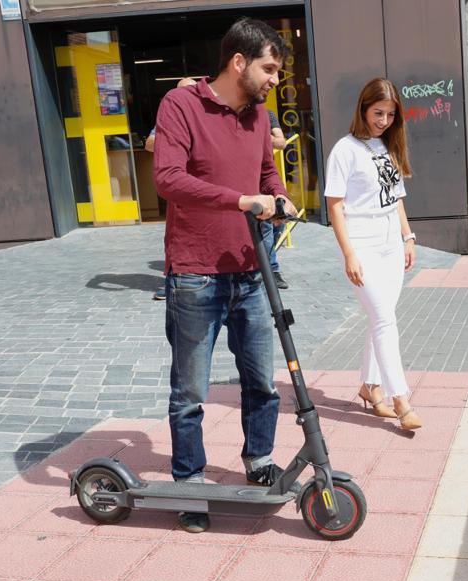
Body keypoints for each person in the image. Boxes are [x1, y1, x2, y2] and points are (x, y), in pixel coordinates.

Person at [154, 18, 296, 533]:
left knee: (262, 382)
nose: (274, 80)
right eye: (269, 69)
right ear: (239, 62)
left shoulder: (259, 116)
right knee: (190, 392)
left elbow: (265, 172)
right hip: (196, 273)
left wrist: (278, 196)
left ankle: (259, 460)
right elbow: (168, 179)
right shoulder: (181, 105)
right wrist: (241, 201)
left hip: (251, 270)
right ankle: (189, 482)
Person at [324, 78, 422, 431]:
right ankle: (401, 400)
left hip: (391, 245)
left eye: (390, 114)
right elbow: (335, 206)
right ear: (363, 109)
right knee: (383, 320)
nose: (384, 120)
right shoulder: (345, 150)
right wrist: (348, 253)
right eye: (378, 112)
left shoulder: (388, 145)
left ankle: (369, 386)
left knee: (382, 317)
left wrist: (408, 237)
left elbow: (396, 198)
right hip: (361, 245)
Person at [146, 77, 199, 301]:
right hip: (180, 187)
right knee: (176, 237)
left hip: (206, 186)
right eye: (180, 93)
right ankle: (172, 283)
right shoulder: (170, 117)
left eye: (190, 92)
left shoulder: (208, 116)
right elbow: (149, 143)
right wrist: (175, 143)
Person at [262, 109, 291, 289]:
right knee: (266, 226)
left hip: (267, 176)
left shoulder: (267, 114)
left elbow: (281, 142)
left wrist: (260, 135)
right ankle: (270, 270)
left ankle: (269, 267)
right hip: (250, 181)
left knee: (277, 224)